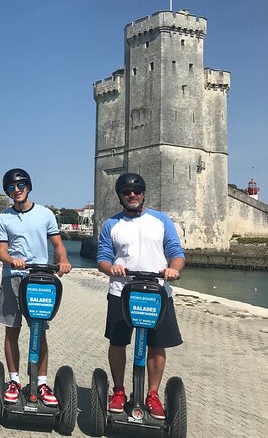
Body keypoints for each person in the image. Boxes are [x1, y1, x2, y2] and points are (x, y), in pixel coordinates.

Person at [97, 173, 184, 420]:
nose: (132, 195)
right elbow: (102, 257)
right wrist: (110, 268)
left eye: (136, 191)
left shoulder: (161, 220)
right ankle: (119, 391)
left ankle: (153, 395)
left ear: (144, 193)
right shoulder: (111, 224)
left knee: (157, 346)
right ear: (120, 196)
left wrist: (174, 269)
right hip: (121, 292)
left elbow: (176, 251)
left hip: (157, 293)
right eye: (126, 192)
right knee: (118, 342)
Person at [0, 168, 72, 406]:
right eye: (11, 188)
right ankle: (15, 380)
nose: (16, 191)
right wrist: (11, 260)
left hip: (39, 278)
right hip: (13, 277)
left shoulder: (45, 214)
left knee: (40, 331)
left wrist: (64, 260)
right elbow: (1, 251)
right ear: (8, 192)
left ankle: (40, 382)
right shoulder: (4, 218)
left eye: (20, 186)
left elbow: (57, 245)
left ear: (28, 187)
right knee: (12, 330)